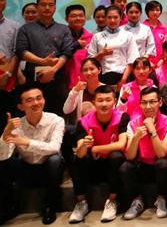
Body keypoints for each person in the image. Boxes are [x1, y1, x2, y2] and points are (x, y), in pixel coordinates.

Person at [0, 83, 65, 224]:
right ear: (20, 106)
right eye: (29, 100)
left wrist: (26, 142)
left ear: (44, 100)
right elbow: (2, 156)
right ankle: (8, 206)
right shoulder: (15, 125)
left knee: (55, 160)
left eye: (39, 98)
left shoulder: (56, 120)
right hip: (26, 168)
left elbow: (54, 147)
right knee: (5, 164)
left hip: (49, 170)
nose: (36, 103)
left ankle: (50, 206)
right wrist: (5, 134)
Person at [68, 85, 129, 223]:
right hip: (93, 167)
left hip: (113, 167)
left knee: (116, 156)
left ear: (114, 101)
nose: (104, 104)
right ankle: (81, 202)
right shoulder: (84, 121)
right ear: (94, 102)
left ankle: (112, 201)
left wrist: (95, 148)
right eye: (100, 100)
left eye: (108, 100)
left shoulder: (122, 117)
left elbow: (121, 145)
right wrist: (84, 144)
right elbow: (80, 153)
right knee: (77, 160)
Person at [120, 86, 167, 220]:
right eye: (144, 102)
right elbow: (130, 156)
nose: (148, 106)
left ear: (160, 102)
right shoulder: (133, 124)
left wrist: (152, 131)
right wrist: (136, 137)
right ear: (140, 104)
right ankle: (137, 201)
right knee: (125, 167)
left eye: (152, 102)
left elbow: (162, 153)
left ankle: (161, 199)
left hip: (162, 167)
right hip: (143, 164)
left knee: (163, 164)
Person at [16, 0, 74, 114]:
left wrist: (52, 70)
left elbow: (67, 52)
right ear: (37, 7)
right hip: (32, 79)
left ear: (55, 7)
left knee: (58, 114)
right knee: (33, 114)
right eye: (43, 4)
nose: (47, 8)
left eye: (51, 5)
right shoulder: (26, 29)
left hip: (57, 79)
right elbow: (21, 51)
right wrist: (43, 61)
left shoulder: (64, 29)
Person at [88, 5, 139, 87]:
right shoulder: (97, 36)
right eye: (109, 17)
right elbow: (90, 62)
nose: (112, 20)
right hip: (102, 78)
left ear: (121, 18)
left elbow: (132, 60)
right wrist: (101, 54)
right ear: (105, 18)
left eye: (115, 17)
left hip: (123, 77)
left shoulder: (128, 35)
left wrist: (123, 80)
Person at [0, 0, 19, 129]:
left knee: (7, 120)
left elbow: (16, 53)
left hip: (7, 80)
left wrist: (7, 75)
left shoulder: (14, 26)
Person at [63, 57, 104, 121]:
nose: (89, 73)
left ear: (99, 70)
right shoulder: (79, 89)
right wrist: (75, 91)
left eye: (92, 69)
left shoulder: (106, 89)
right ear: (81, 73)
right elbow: (66, 110)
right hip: (83, 125)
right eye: (85, 70)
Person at [63, 4, 93, 91]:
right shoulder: (61, 36)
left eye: (81, 15)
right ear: (66, 19)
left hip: (87, 84)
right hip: (65, 84)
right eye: (74, 16)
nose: (78, 18)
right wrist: (76, 45)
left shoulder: (91, 37)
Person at [143, 0, 167, 66]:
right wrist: (147, 61)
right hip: (144, 63)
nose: (155, 12)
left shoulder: (166, 30)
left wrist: (162, 59)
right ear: (147, 11)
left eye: (157, 10)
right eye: (152, 10)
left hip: (161, 64)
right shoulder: (142, 28)